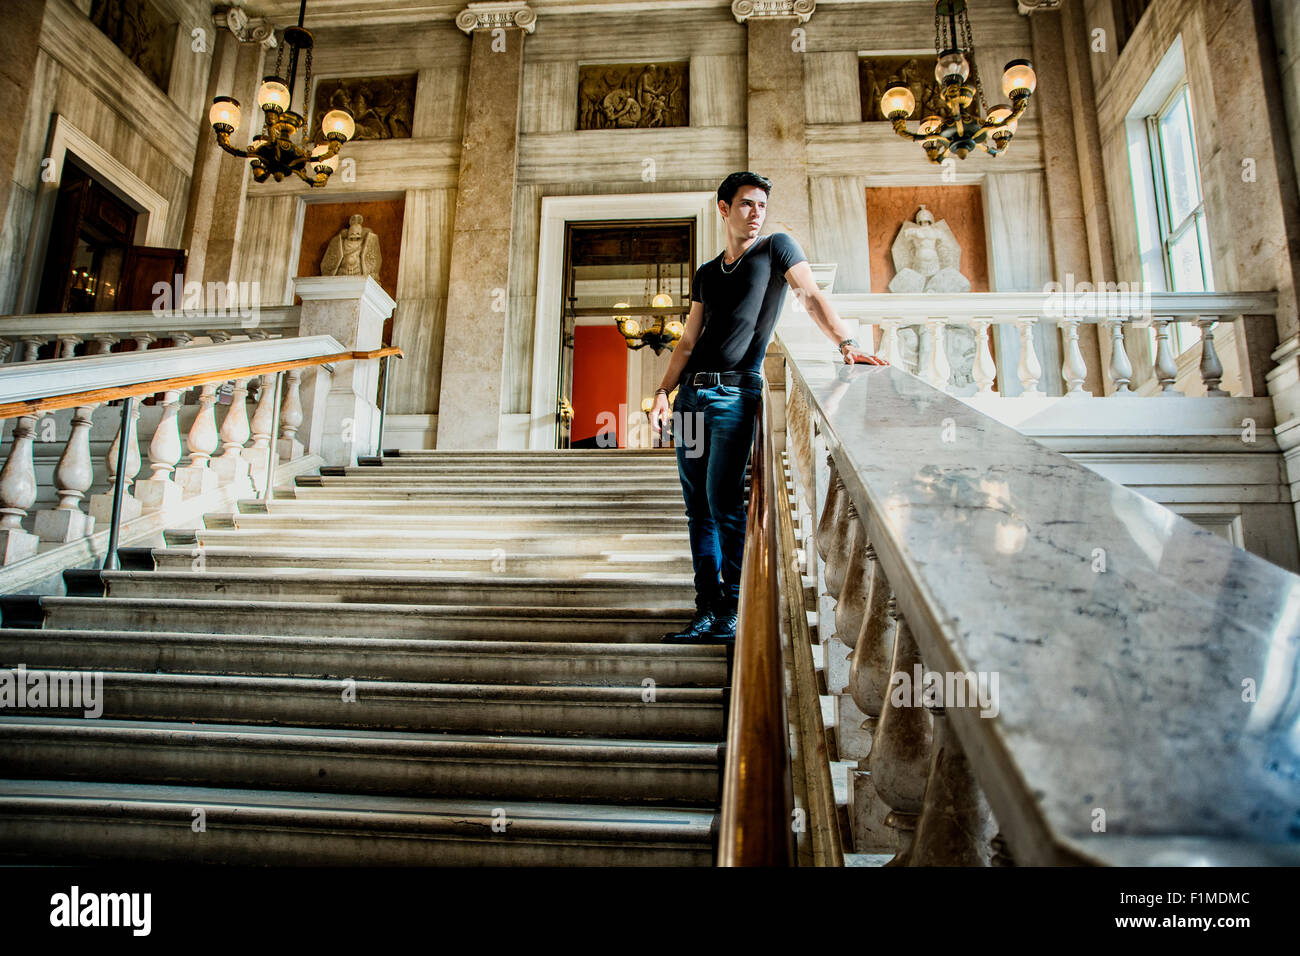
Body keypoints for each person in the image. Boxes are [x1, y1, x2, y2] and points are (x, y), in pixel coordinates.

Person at [650, 171, 887, 644]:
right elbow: (688, 340)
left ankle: (734, 608)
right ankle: (707, 609)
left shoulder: (777, 248)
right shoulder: (706, 273)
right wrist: (663, 392)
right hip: (692, 396)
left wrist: (848, 342)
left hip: (735, 397)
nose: (755, 213)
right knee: (697, 509)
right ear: (723, 208)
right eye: (745, 204)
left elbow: (812, 296)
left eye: (761, 205)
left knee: (723, 503)